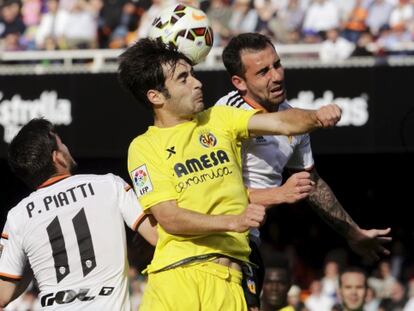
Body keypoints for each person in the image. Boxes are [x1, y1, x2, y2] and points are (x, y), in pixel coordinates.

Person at [117, 37, 341, 311]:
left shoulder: (220, 118)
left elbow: (282, 122)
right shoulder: (143, 148)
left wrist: (317, 115)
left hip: (231, 280)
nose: (197, 83)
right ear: (156, 96)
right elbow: (170, 218)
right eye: (183, 79)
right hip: (176, 279)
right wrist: (234, 221)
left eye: (193, 75)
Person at [215, 32, 392, 309]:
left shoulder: (291, 118)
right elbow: (215, 193)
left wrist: (352, 232)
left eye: (277, 64)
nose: (276, 76)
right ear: (239, 82)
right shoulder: (226, 114)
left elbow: (312, 183)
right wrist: (278, 194)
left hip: (248, 241)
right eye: (263, 72)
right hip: (218, 241)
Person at [0, 118, 157, 310]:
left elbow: (3, 294)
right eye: (61, 143)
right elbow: (156, 235)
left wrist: (33, 259)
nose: (67, 147)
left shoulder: (18, 216)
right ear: (57, 157)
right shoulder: (109, 185)